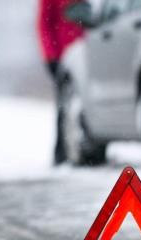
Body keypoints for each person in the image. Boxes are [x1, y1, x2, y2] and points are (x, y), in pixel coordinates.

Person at [37, 0, 85, 165]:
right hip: (63, 57)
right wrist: (51, 56)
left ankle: (86, 149)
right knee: (64, 106)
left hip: (87, 54)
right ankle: (62, 152)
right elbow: (44, 25)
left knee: (83, 104)